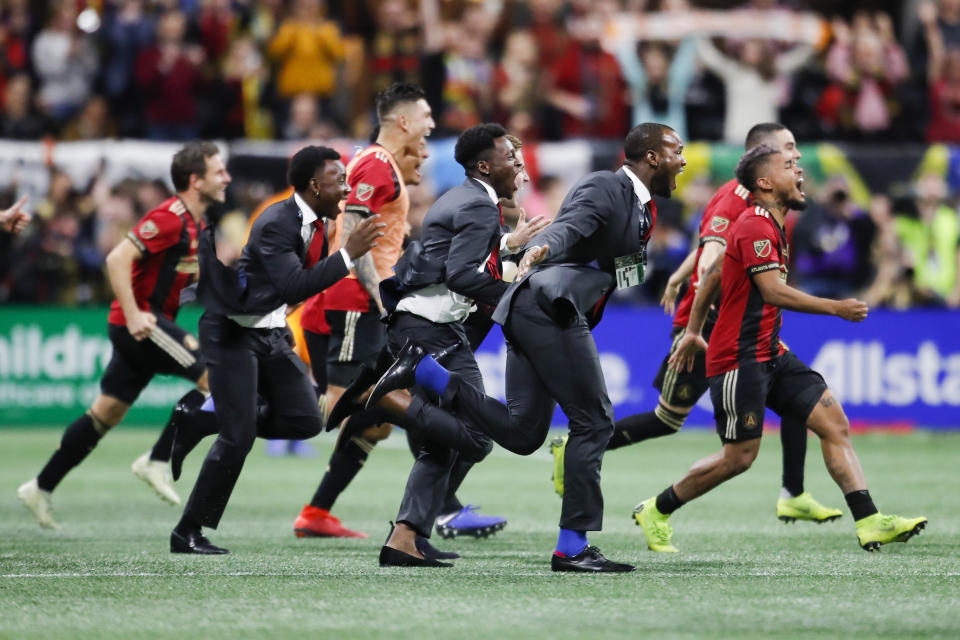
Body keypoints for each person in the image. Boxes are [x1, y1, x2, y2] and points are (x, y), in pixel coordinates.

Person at [350, 123, 686, 571]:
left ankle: (427, 373)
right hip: (550, 308)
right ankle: (572, 547)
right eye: (677, 151)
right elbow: (567, 226)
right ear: (652, 157)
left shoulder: (644, 209)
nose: (684, 160)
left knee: (524, 433)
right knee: (595, 421)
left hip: (539, 310)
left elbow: (617, 265)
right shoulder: (607, 186)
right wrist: (541, 246)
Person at [633, 143, 927, 553]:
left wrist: (695, 329)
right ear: (766, 183)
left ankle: (870, 519)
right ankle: (657, 508)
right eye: (790, 165)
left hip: (770, 352)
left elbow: (714, 274)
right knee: (738, 459)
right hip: (739, 359)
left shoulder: (771, 224)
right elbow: (771, 291)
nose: (800, 172)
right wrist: (836, 308)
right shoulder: (754, 225)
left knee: (834, 423)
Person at [550, 123, 842, 525]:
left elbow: (711, 244)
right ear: (764, 156)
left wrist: (682, 271)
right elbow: (714, 255)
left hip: (740, 327)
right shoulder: (732, 199)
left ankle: (793, 491)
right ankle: (576, 447)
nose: (797, 159)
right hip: (708, 325)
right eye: (789, 150)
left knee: (794, 386)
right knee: (668, 419)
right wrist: (696, 304)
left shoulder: (759, 201)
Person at [169, 146, 382, 554]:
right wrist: (349, 255)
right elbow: (293, 285)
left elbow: (294, 291)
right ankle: (187, 531)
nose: (347, 186)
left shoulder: (319, 223)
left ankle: (199, 420)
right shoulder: (275, 222)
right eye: (339, 179)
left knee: (305, 421)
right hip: (232, 332)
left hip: (267, 332)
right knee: (239, 437)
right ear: (315, 185)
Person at [17, 142, 228, 529]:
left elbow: (173, 276)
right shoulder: (170, 217)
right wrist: (133, 314)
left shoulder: (194, 224)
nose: (227, 177)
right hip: (141, 324)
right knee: (215, 376)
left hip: (144, 323)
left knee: (106, 413)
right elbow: (118, 258)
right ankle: (158, 459)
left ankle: (41, 486)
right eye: (219, 172)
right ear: (195, 181)